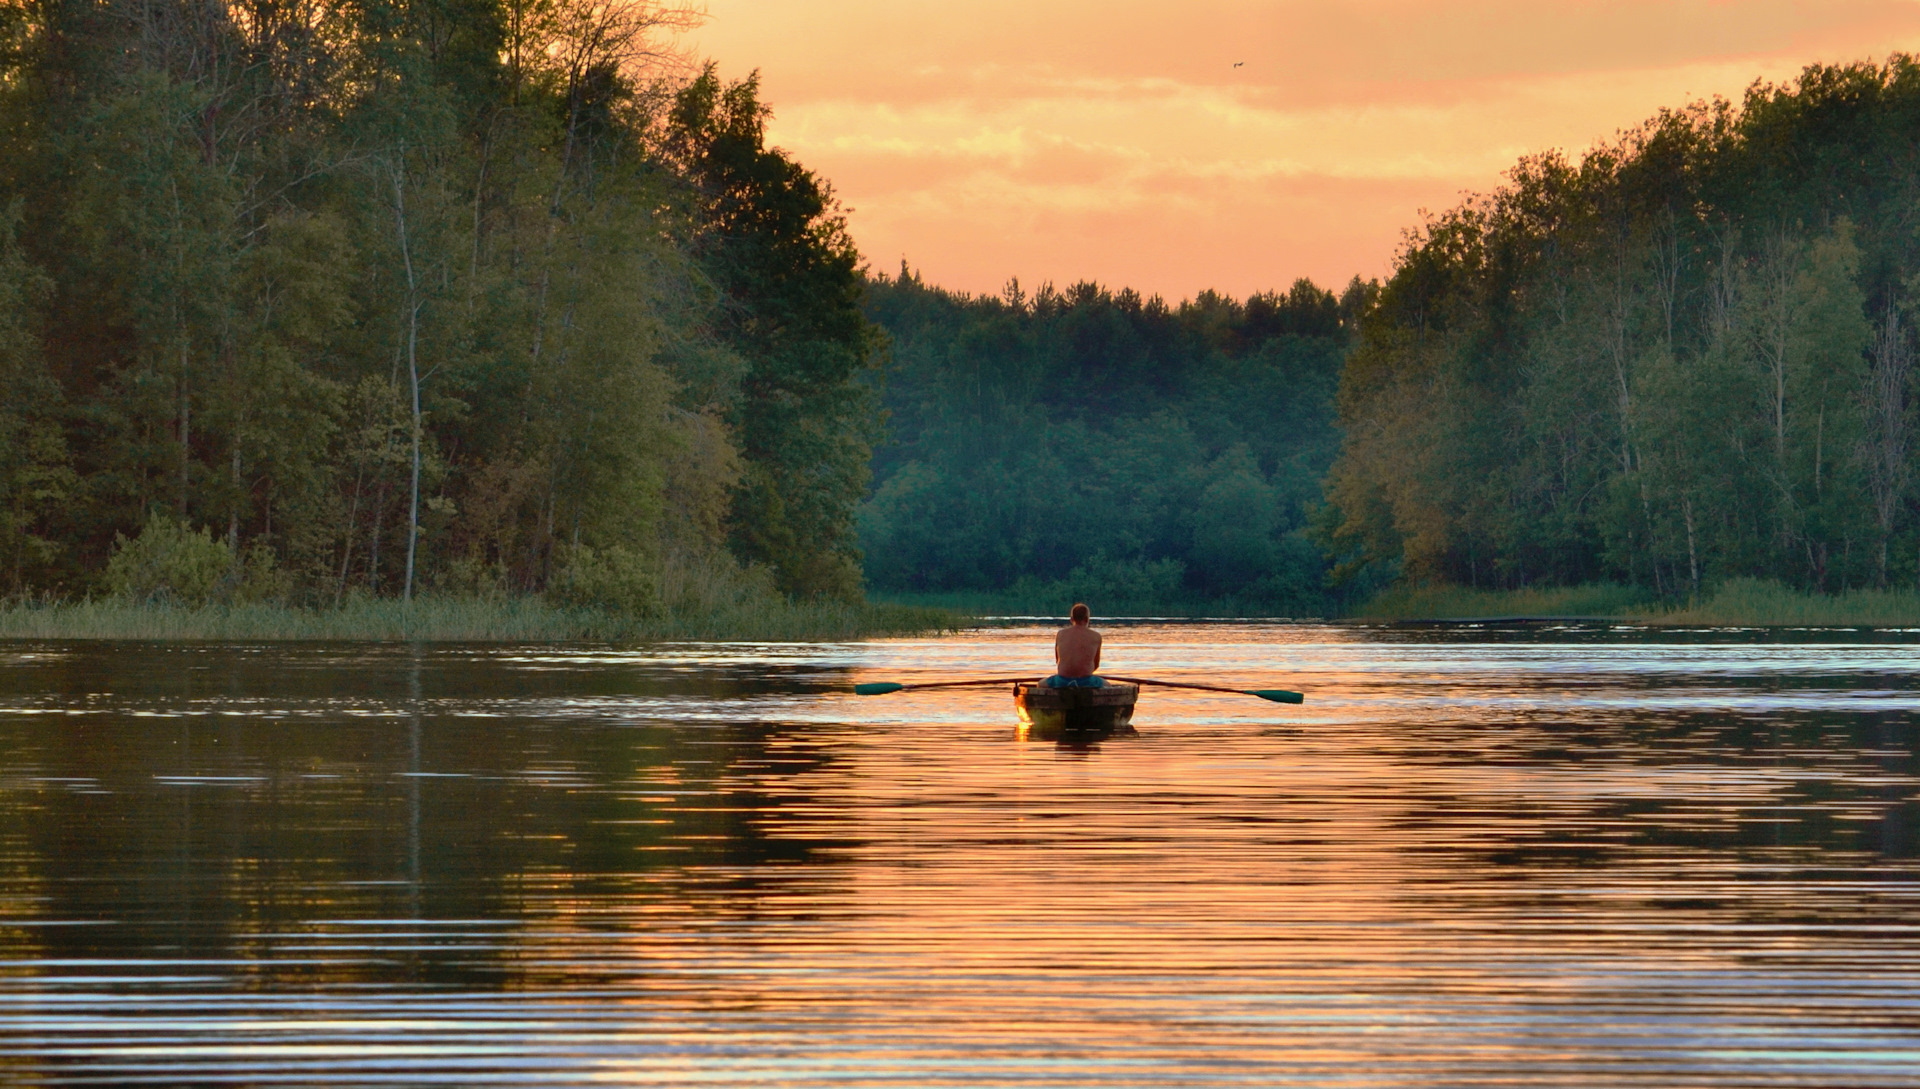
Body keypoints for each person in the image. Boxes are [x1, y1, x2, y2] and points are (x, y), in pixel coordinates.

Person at [1047, 603, 1104, 688]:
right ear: (1087, 619)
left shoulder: (1060, 634)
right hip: (1086, 681)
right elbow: (1096, 664)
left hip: (1062, 680)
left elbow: (1057, 660)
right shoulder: (1096, 636)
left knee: (1040, 684)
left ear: (1071, 619)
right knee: (1108, 685)